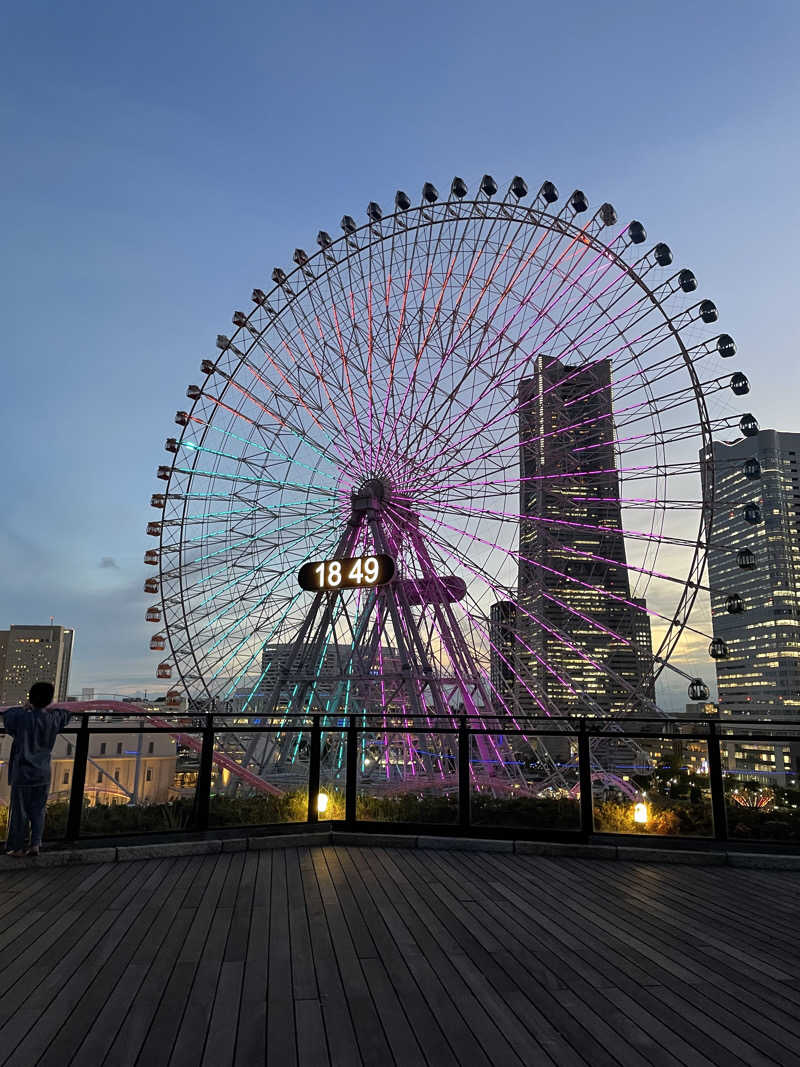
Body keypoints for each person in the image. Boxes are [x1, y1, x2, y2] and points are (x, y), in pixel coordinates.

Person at [3, 681, 71, 857]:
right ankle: (35, 844)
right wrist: (48, 709)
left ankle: (17, 847)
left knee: (19, 812)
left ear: (30, 697)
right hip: (43, 773)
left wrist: (27, 708)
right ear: (49, 700)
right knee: (38, 809)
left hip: (23, 773)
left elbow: (8, 716)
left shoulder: (21, 717)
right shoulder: (53, 718)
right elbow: (66, 714)